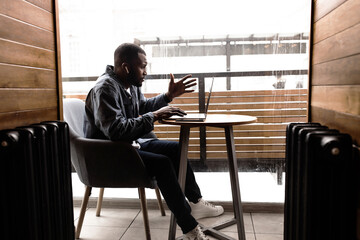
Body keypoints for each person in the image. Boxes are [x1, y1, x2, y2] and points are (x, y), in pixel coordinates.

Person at [84, 43, 224, 239]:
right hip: (110, 155)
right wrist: (155, 116)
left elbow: (141, 108)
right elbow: (116, 131)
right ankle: (190, 229)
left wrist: (168, 96)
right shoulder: (105, 89)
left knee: (176, 149)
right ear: (126, 67)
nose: (145, 72)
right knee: (163, 164)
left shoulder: (129, 85)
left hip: (128, 146)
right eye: (142, 66)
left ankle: (195, 202)